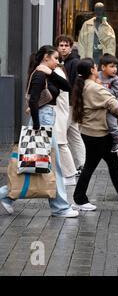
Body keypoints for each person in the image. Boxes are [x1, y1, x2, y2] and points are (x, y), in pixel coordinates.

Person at [0, 45, 79, 218]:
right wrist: (37, 127)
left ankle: (5, 196)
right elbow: (34, 100)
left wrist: (51, 73)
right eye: (55, 58)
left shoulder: (48, 74)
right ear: (46, 57)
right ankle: (60, 207)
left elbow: (67, 86)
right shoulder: (38, 75)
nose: (58, 61)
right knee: (49, 164)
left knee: (34, 163)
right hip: (42, 120)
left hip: (45, 118)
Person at [71, 58, 118, 211]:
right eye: (95, 67)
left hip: (91, 132)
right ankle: (80, 199)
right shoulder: (94, 88)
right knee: (97, 166)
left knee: (108, 164)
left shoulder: (85, 85)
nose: (97, 68)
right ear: (92, 70)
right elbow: (113, 103)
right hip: (98, 133)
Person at [56, 35, 85, 175]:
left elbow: (73, 84)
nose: (63, 48)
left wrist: (72, 102)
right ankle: (82, 165)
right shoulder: (63, 61)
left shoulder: (73, 62)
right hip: (69, 103)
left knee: (60, 136)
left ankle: (69, 169)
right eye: (61, 45)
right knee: (74, 134)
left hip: (69, 103)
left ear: (71, 47)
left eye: (66, 45)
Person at [98, 54, 118, 156]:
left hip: (116, 103)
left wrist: (100, 86)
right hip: (105, 103)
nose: (115, 69)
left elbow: (113, 92)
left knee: (112, 124)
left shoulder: (116, 79)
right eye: (112, 66)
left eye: (116, 66)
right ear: (103, 67)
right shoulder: (98, 75)